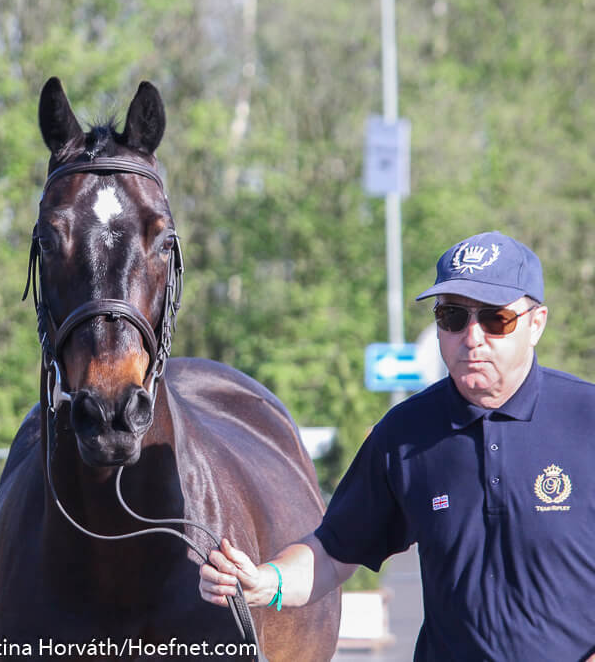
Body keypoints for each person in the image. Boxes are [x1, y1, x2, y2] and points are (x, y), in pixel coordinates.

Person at [199, 231, 595, 661]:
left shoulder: (586, 419)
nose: (472, 337)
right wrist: (266, 582)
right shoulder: (404, 433)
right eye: (452, 317)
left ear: (536, 324)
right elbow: (332, 553)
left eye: (496, 319)